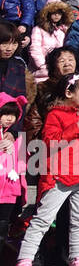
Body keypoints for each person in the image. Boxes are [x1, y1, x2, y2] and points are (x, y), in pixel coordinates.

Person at [14, 73, 79, 266]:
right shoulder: (55, 114)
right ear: (69, 92)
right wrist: (76, 128)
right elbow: (49, 141)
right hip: (60, 174)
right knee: (43, 218)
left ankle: (77, 258)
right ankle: (24, 259)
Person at [0, 98, 25, 253]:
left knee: (3, 227)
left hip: (10, 188)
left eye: (13, 114)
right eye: (5, 113)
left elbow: (22, 162)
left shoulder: (17, 137)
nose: (9, 118)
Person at [30, 0, 74, 82]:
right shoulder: (38, 29)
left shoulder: (62, 31)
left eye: (59, 13)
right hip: (41, 72)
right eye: (54, 13)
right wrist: (42, 66)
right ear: (47, 13)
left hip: (59, 71)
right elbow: (35, 49)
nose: (57, 15)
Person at [0, 21, 29, 99]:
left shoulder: (19, 65)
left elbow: (21, 97)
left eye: (14, 43)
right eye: (4, 44)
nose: (9, 49)